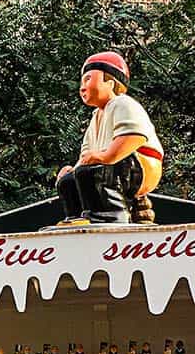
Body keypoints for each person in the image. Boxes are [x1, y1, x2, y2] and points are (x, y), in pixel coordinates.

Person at [55, 52, 163, 225]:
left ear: (110, 83)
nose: (82, 87)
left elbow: (133, 137)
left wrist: (106, 156)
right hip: (110, 164)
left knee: (92, 172)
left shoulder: (122, 103)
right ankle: (76, 218)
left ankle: (110, 216)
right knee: (69, 180)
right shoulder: (96, 116)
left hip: (139, 165)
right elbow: (87, 155)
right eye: (82, 82)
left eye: (88, 80)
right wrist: (73, 170)